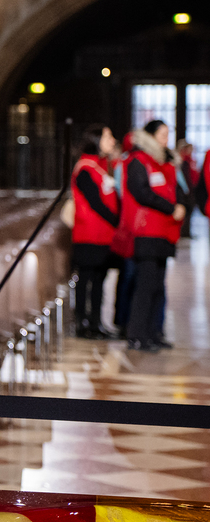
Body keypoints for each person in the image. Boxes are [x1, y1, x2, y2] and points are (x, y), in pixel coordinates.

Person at [118, 120, 186, 352]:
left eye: (168, 134)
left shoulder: (165, 161)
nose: (167, 139)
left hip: (164, 231)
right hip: (146, 231)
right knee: (145, 285)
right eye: (162, 134)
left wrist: (180, 205)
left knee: (158, 285)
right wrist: (171, 208)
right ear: (150, 136)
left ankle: (154, 332)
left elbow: (175, 188)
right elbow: (141, 192)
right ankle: (137, 334)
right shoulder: (138, 160)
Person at [70, 125, 119, 338]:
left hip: (104, 234)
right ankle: (82, 323)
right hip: (88, 234)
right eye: (108, 137)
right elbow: (96, 202)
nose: (112, 140)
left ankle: (96, 322)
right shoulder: (85, 168)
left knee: (99, 279)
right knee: (86, 279)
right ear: (96, 140)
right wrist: (117, 221)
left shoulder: (101, 166)